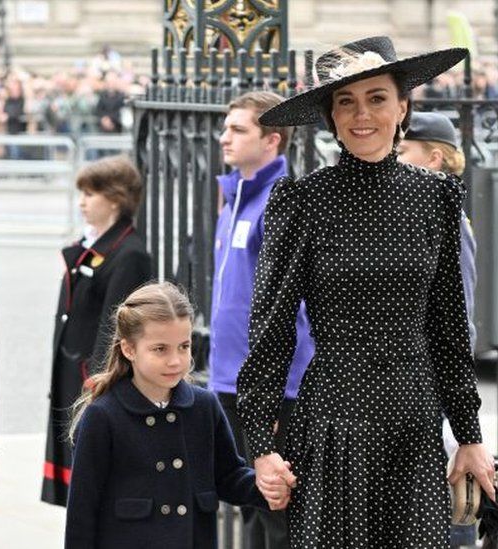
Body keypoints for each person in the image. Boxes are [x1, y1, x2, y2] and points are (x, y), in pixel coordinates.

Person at [239, 36, 494, 547]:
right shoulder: (302, 200)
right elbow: (270, 327)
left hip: (414, 425)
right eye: (346, 101)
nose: (362, 115)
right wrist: (261, 446)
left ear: (403, 107)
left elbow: (447, 325)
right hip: (333, 424)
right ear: (331, 116)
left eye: (377, 98)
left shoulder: (435, 196)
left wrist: (469, 436)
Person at [64, 282, 288, 549]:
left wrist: (268, 487)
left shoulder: (204, 407)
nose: (176, 360)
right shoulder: (103, 417)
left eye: (184, 346)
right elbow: (81, 512)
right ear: (129, 349)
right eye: (160, 349)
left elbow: (229, 476)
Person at [212, 91, 314, 549]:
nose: (224, 137)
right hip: (230, 380)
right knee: (251, 504)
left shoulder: (282, 201)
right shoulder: (234, 197)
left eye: (238, 130)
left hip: (271, 388)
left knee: (279, 512)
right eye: (226, 127)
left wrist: (277, 391)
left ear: (272, 140)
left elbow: (296, 310)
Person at [41, 155, 152, 506]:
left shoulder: (129, 254)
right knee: (79, 494)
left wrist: (97, 384)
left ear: (116, 199)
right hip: (73, 379)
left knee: (95, 492)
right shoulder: (90, 249)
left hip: (93, 384)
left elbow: (114, 330)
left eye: (91, 194)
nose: (82, 203)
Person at [398, 111, 479, 548]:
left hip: (429, 385)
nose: (393, 157)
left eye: (403, 150)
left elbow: (457, 317)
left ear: (433, 158)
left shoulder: (447, 220)